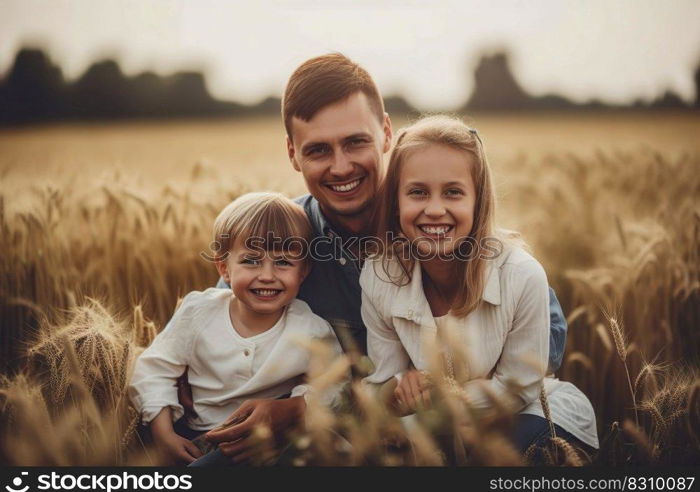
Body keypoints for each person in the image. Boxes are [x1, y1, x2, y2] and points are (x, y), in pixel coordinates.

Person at [205, 53, 568, 459]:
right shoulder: (279, 236)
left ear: (386, 133)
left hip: (412, 429)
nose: (341, 167)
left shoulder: (438, 227)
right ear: (292, 153)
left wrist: (436, 389)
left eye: (355, 142)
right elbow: (218, 326)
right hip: (306, 435)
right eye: (319, 150)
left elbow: (546, 338)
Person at [360, 116, 598, 456]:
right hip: (435, 421)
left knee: (498, 455)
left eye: (453, 192)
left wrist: (444, 398)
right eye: (417, 192)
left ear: (478, 200)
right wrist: (398, 390)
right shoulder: (379, 275)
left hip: (528, 412)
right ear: (396, 202)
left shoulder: (521, 274)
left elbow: (519, 387)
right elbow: (384, 381)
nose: (435, 209)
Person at [129, 192, 344, 465]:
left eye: (283, 262)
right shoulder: (198, 312)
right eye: (251, 260)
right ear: (224, 268)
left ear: (303, 272)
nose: (267, 275)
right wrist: (164, 434)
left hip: (273, 444)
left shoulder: (310, 329)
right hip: (198, 439)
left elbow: (335, 384)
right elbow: (153, 370)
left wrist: (299, 405)